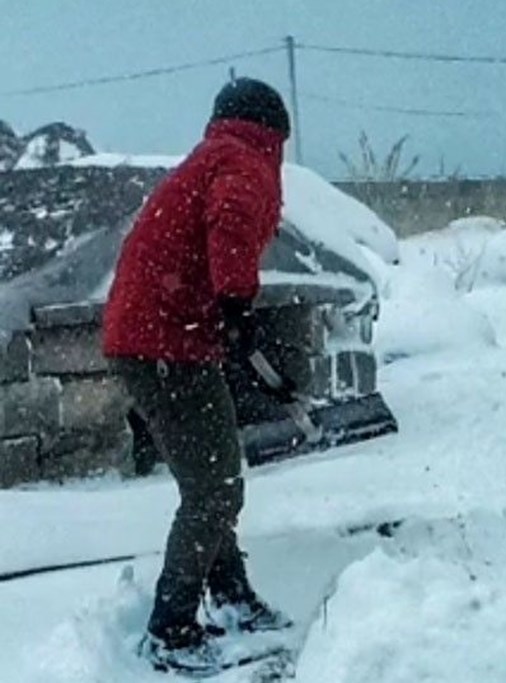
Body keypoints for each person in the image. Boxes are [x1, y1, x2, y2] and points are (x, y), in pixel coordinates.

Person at [103, 77, 295, 673]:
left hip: (160, 338)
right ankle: (172, 629)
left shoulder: (215, 154)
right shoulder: (242, 159)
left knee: (211, 480)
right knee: (214, 489)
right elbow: (233, 219)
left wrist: (230, 320)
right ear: (274, 130)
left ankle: (232, 598)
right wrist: (237, 303)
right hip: (165, 344)